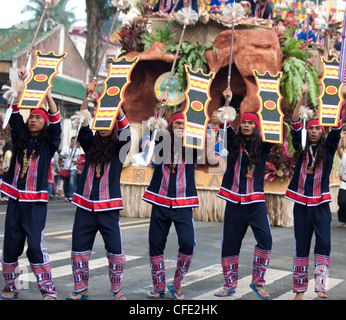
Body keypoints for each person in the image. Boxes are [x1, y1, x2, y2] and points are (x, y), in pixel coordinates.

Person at [0, 66, 61, 300]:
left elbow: (56, 123)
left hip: (35, 204)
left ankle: (48, 290)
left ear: (44, 123)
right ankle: (10, 288)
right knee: (11, 246)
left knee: (34, 247)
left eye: (38, 117)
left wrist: (46, 93)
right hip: (16, 201)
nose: (33, 120)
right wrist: (21, 82)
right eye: (32, 117)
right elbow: (15, 116)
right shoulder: (19, 140)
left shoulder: (49, 144)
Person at [66, 82, 131, 300]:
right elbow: (82, 124)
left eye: (108, 121)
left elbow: (126, 130)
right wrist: (87, 95)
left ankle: (117, 290)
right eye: (101, 120)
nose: (104, 124)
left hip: (108, 208)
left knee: (114, 251)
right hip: (84, 206)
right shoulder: (90, 145)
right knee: (79, 250)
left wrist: (114, 104)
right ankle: (80, 289)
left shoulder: (120, 149)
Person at [285, 83, 343, 300]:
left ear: (323, 131)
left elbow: (337, 127)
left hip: (321, 205)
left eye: (318, 128)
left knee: (324, 243)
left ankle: (320, 286)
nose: (314, 131)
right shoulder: (300, 146)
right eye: (311, 128)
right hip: (301, 204)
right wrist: (302, 95)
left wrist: (333, 98)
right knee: (301, 244)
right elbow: (294, 122)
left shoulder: (328, 148)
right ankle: (299, 290)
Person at [214, 89, 273, 299]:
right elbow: (224, 125)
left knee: (266, 241)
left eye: (250, 123)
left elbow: (274, 129)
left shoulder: (264, 147)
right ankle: (229, 285)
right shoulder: (234, 142)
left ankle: (258, 282)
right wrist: (227, 101)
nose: (246, 125)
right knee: (230, 244)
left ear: (256, 127)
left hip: (255, 203)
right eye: (244, 123)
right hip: (234, 201)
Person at [60, 136, 81, 201]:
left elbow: (79, 159)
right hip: (66, 167)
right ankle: (66, 195)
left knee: (72, 182)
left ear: (76, 143)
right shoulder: (65, 149)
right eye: (72, 142)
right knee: (66, 182)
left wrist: (76, 161)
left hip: (73, 167)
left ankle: (70, 195)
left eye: (74, 142)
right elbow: (61, 156)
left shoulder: (77, 150)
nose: (72, 143)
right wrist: (61, 159)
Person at [337, 132, 346, 227]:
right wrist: (339, 137)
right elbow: (338, 149)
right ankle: (342, 219)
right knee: (342, 201)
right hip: (344, 184)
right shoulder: (344, 157)